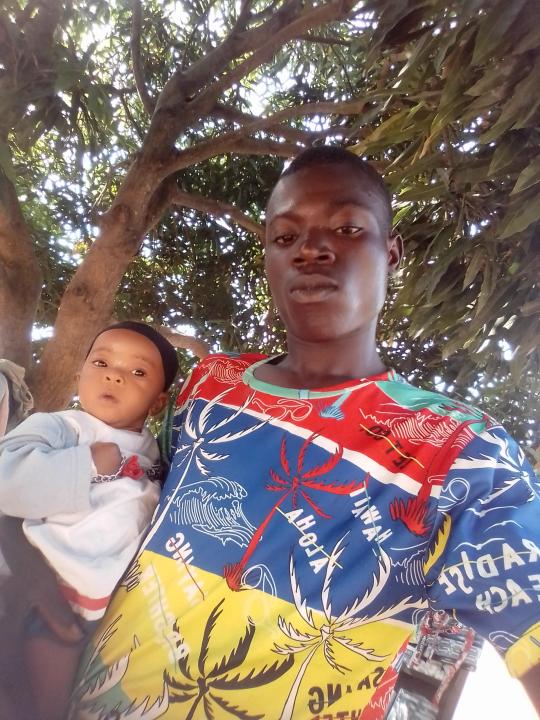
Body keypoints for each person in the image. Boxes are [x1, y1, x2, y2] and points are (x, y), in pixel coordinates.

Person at [29, 147, 540, 719]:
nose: (310, 249)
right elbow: (115, 492)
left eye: (347, 228)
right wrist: (37, 572)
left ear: (391, 252)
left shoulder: (462, 448)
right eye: (285, 236)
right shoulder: (209, 385)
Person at [0, 320, 179, 720]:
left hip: (92, 617)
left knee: (48, 705)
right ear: (79, 375)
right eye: (101, 362)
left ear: (158, 404)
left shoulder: (159, 455)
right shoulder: (61, 426)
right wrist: (86, 464)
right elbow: (5, 481)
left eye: (138, 371)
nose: (114, 374)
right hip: (28, 587)